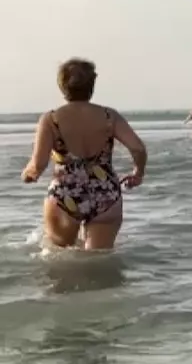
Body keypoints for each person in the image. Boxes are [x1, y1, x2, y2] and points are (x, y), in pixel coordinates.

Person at [21, 58, 148, 250]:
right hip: (105, 194)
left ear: (62, 86)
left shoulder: (50, 119)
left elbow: (37, 165)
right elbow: (137, 148)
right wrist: (138, 173)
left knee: (59, 259)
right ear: (92, 84)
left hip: (66, 195)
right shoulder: (109, 116)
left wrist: (29, 174)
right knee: (98, 258)